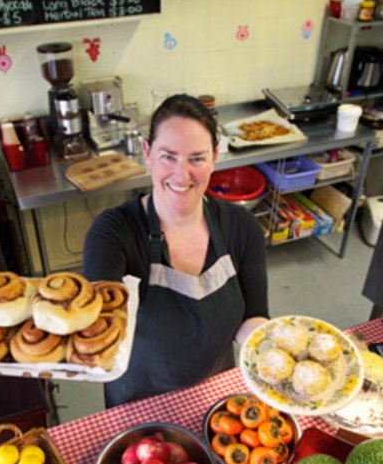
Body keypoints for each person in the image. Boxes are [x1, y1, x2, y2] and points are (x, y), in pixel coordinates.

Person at [83, 93, 269, 406]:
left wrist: (274, 354)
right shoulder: (114, 233)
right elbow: (95, 321)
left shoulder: (241, 227)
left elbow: (253, 319)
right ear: (147, 153)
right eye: (169, 156)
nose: (182, 175)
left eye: (196, 158)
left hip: (216, 402)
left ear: (215, 157)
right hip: (138, 408)